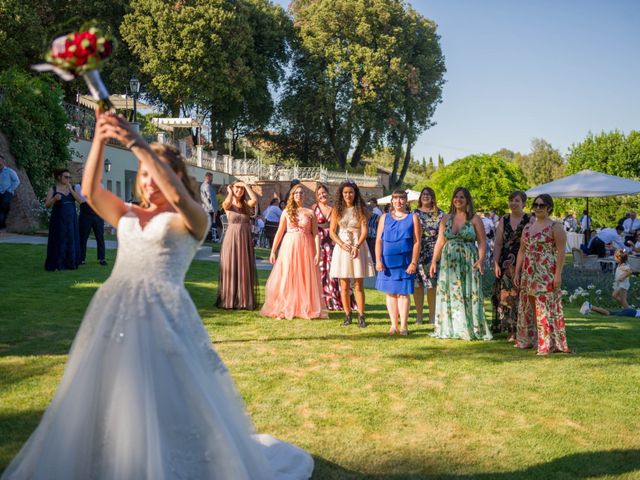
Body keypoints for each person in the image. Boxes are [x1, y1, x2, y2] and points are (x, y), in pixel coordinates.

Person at [2, 112, 314, 479]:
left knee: (172, 392)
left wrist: (138, 143)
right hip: (114, 309)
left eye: (156, 172)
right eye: (144, 173)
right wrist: (101, 137)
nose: (149, 179)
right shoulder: (130, 213)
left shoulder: (191, 218)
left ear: (176, 179)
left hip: (165, 314)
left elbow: (181, 200)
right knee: (111, 391)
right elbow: (91, 189)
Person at [430, 187, 492, 341]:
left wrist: (481, 258)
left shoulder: (475, 219)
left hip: (468, 260)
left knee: (467, 293)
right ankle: (450, 328)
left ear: (468, 200)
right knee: (449, 293)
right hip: (448, 262)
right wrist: (433, 260)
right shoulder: (445, 218)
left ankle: (469, 327)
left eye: (462, 197)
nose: (458, 199)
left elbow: (482, 242)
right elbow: (440, 241)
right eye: (456, 197)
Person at [514, 194, 570, 355]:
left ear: (549, 208)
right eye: (536, 205)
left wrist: (558, 274)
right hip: (529, 271)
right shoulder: (527, 228)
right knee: (530, 306)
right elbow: (521, 251)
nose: (538, 208)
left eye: (542, 205)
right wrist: (517, 272)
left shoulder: (555, 227)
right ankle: (535, 339)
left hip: (546, 271)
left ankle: (547, 344)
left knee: (544, 306)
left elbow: (560, 252)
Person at [261, 184, 327, 320]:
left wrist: (317, 252)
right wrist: (273, 251)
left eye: (301, 193)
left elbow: (315, 234)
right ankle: (284, 306)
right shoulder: (286, 212)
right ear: (292, 195)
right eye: (296, 193)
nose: (299, 195)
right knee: (287, 275)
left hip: (306, 246)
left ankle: (305, 306)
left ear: (304, 195)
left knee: (304, 276)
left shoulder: (310, 213)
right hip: (289, 246)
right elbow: (279, 232)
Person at [329, 181, 375, 328]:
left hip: (358, 245)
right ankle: (347, 315)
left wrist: (356, 245)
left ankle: (361, 316)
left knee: (358, 284)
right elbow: (331, 232)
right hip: (342, 246)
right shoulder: (337, 209)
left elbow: (365, 231)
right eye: (345, 192)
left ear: (355, 194)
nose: (348, 195)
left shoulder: (360, 209)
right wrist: (341, 244)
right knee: (343, 284)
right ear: (341, 194)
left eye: (351, 192)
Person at [375, 190, 421, 335]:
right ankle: (393, 325)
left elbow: (417, 242)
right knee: (390, 294)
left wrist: (413, 262)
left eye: (401, 199)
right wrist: (378, 260)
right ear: (392, 201)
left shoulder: (413, 217)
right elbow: (378, 240)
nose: (398, 202)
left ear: (406, 201)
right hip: (387, 263)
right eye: (395, 199)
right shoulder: (384, 217)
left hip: (405, 262)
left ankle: (404, 326)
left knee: (403, 294)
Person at [491, 191, 530, 339]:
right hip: (505, 262)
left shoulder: (530, 219)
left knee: (520, 296)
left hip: (524, 262)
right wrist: (496, 263)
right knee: (506, 296)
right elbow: (498, 244)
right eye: (511, 200)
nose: (513, 203)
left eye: (517, 200)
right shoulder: (504, 220)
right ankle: (510, 330)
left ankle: (522, 329)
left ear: (524, 204)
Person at [217, 181, 259, 310]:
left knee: (244, 267)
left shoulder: (246, 204)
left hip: (245, 239)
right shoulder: (227, 204)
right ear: (232, 188)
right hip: (232, 239)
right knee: (231, 266)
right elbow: (227, 203)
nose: (239, 190)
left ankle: (244, 301)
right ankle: (230, 300)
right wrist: (230, 192)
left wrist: (246, 185)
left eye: (241, 189)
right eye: (237, 188)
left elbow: (255, 200)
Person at [313, 184, 355, 311]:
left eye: (324, 193)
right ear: (317, 196)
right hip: (318, 242)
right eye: (319, 194)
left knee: (334, 271)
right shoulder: (314, 208)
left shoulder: (334, 209)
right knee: (320, 271)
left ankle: (336, 299)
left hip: (332, 242)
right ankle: (321, 300)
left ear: (328, 193)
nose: (322, 195)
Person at [413, 187, 444, 325]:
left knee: (432, 285)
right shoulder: (414, 213)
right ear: (420, 197)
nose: (426, 196)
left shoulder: (440, 214)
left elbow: (442, 236)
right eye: (423, 194)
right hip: (418, 250)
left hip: (434, 251)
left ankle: (432, 316)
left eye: (429, 194)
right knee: (417, 285)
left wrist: (437, 255)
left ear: (433, 197)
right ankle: (419, 315)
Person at [44, 169, 82, 271]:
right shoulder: (53, 189)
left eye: (69, 177)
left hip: (71, 220)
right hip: (58, 220)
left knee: (71, 240)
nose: (68, 179)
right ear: (59, 177)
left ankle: (71, 263)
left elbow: (80, 200)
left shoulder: (72, 188)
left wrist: (71, 190)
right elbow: (47, 205)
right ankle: (58, 264)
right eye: (66, 177)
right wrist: (54, 199)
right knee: (59, 240)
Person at [74, 179, 107, 266]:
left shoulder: (100, 185)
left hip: (98, 214)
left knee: (100, 237)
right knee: (83, 238)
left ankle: (102, 258)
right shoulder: (78, 186)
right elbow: (79, 199)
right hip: (85, 215)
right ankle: (81, 258)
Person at [0, 153, 20, 230]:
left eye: (0, 161)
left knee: (4, 207)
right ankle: (2, 226)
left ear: (3, 161)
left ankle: (2, 224)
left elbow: (17, 181)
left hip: (7, 193)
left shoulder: (9, 171)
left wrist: (10, 190)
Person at [200, 172, 219, 241]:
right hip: (209, 209)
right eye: (211, 178)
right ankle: (213, 238)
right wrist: (214, 209)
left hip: (206, 208)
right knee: (211, 224)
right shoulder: (207, 186)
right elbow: (210, 199)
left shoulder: (203, 185)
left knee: (208, 224)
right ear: (208, 177)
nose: (212, 179)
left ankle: (210, 238)